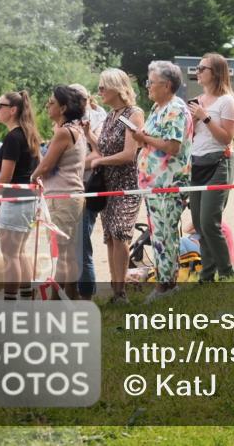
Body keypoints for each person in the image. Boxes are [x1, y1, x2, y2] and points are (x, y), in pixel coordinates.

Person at [133, 61, 193, 301]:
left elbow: (172, 146)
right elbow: (153, 140)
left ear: (167, 85)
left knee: (164, 235)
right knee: (159, 234)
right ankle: (166, 283)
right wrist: (142, 139)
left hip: (168, 184)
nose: (147, 87)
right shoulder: (158, 107)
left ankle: (164, 286)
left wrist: (144, 138)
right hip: (154, 184)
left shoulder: (175, 109)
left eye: (151, 82)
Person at [86, 68, 144, 303]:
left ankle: (120, 290)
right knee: (110, 236)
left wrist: (99, 160)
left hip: (127, 184)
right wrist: (88, 135)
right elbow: (103, 148)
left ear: (116, 88)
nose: (99, 92)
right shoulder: (111, 115)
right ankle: (116, 288)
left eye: (103, 87)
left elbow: (129, 154)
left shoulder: (133, 114)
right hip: (108, 183)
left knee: (120, 233)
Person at [30, 86, 88, 298]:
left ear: (63, 107)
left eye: (51, 102)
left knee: (62, 252)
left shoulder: (64, 132)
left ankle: (58, 299)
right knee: (67, 251)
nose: (47, 105)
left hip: (62, 196)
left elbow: (45, 165)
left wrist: (31, 178)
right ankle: (71, 296)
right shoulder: (74, 130)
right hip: (69, 195)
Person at [187, 53, 234, 283]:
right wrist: (194, 122)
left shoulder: (227, 101)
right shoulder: (197, 100)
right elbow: (191, 137)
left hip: (219, 162)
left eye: (202, 68)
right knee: (198, 223)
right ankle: (207, 276)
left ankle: (226, 272)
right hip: (197, 162)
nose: (197, 71)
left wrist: (205, 118)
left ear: (215, 72)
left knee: (209, 222)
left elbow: (226, 138)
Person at [0, 91, 42, 301]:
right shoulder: (27, 133)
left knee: (11, 255)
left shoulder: (13, 137)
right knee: (20, 252)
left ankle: (12, 304)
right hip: (27, 198)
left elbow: (6, 175)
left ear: (12, 110)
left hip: (15, 199)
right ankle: (25, 300)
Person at [69, 83, 104, 301]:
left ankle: (86, 295)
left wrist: (71, 165)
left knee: (81, 245)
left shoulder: (97, 118)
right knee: (71, 246)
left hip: (88, 185)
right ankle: (73, 292)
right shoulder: (68, 121)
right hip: (71, 187)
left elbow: (98, 153)